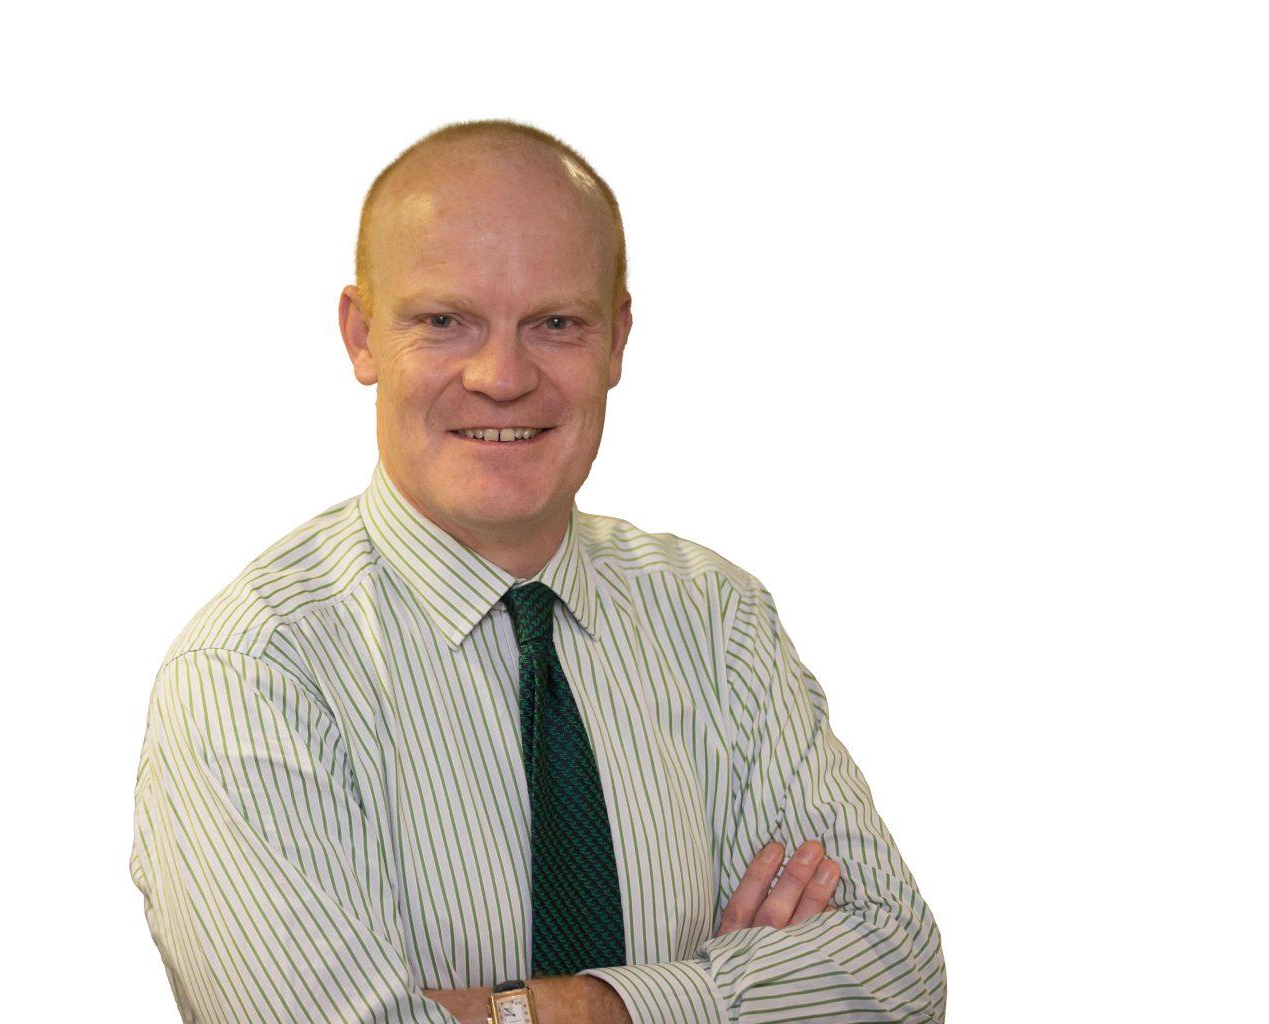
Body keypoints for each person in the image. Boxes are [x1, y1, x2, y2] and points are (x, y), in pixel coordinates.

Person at [129, 119, 946, 1024]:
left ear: (617, 339)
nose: (502, 376)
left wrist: (544, 1010)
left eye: (556, 323)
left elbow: (898, 974)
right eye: (444, 322)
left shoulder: (718, 622)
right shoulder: (252, 676)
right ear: (361, 336)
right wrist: (726, 992)